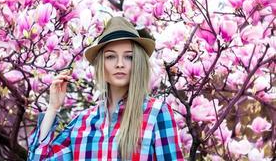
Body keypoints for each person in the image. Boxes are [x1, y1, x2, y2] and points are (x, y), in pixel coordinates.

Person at [28, 16, 184, 160]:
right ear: (101, 65)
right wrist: (53, 107)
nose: (120, 64)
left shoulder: (156, 113)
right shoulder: (83, 122)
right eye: (110, 56)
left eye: (129, 57)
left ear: (138, 63)